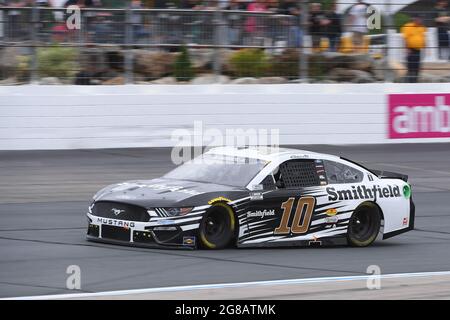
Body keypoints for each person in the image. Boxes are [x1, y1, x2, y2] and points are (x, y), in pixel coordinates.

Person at [401, 15, 427, 83]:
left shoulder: (422, 28)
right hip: (411, 50)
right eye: (418, 19)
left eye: (421, 19)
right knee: (411, 67)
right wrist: (407, 48)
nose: (420, 21)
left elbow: (423, 37)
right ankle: (409, 82)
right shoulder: (408, 26)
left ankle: (415, 81)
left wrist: (425, 47)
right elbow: (405, 38)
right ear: (414, 19)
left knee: (417, 67)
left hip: (418, 50)